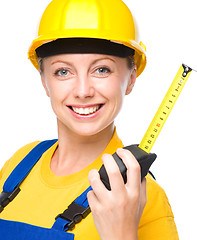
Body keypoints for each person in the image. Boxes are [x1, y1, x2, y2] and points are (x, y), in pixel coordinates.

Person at [0, 0, 179, 239]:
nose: (83, 91)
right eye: (63, 71)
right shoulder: (20, 164)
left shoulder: (140, 196)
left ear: (132, 77)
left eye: (102, 69)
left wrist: (122, 233)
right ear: (44, 81)